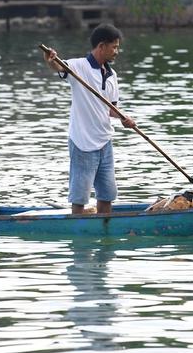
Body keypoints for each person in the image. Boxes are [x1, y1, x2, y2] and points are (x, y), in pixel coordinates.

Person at [43, 23, 136, 214]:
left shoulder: (112, 75)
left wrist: (124, 119)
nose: (116, 51)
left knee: (107, 194)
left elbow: (111, 109)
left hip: (105, 141)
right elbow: (57, 66)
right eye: (114, 47)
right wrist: (51, 59)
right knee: (80, 196)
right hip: (82, 141)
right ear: (101, 46)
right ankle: (78, 231)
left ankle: (105, 228)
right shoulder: (79, 66)